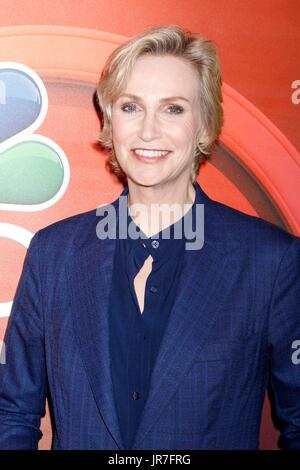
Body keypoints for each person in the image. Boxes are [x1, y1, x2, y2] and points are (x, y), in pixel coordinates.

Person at [0, 24, 300, 451]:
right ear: (109, 120)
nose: (148, 131)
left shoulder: (271, 261)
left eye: (173, 109)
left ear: (204, 127)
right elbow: (11, 411)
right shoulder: (54, 255)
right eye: (131, 107)